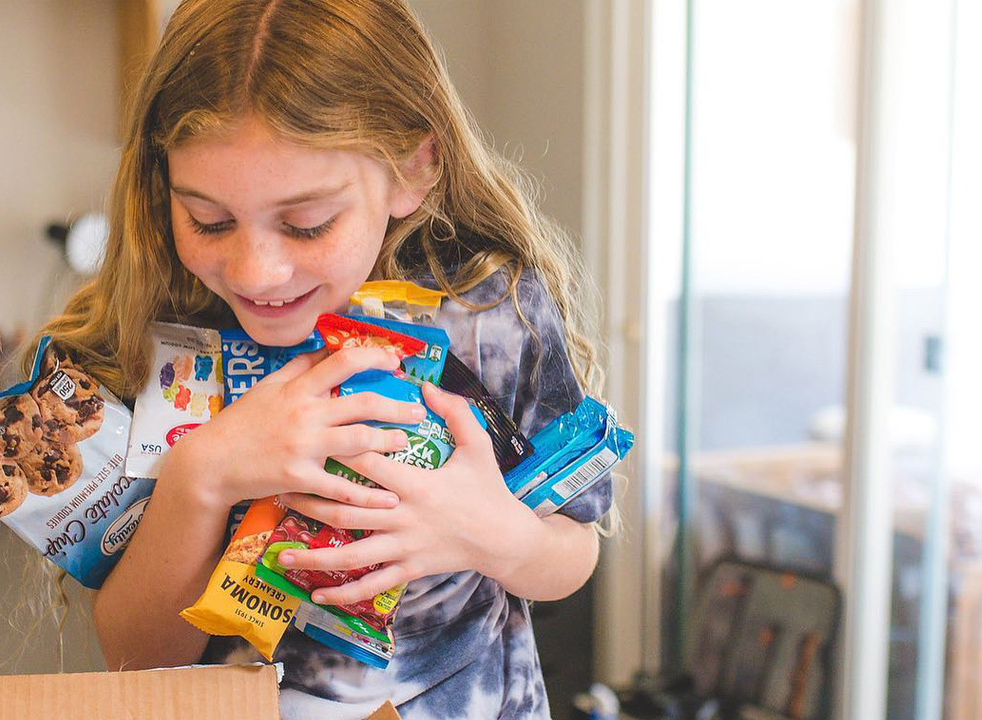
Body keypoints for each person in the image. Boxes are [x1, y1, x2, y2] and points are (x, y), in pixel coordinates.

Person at [34, 1, 616, 717]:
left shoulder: (491, 307)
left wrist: (493, 533)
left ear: (414, 168)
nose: (256, 272)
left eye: (308, 224)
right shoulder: (154, 337)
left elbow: (573, 553)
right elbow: (135, 658)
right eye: (208, 221)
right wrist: (199, 477)